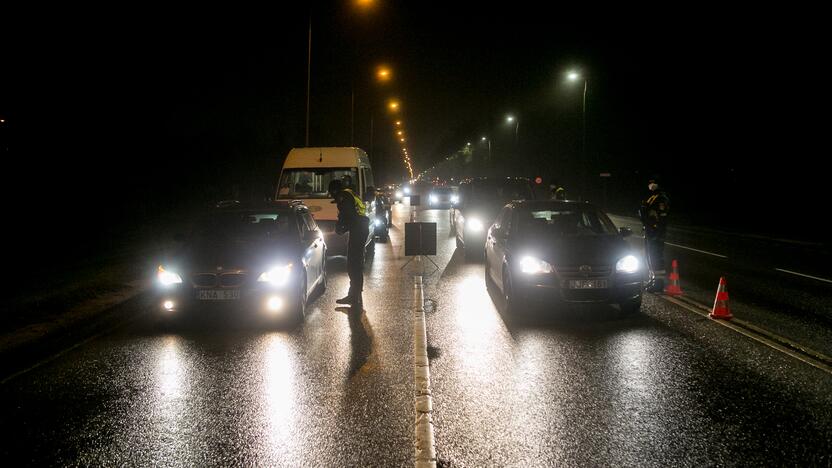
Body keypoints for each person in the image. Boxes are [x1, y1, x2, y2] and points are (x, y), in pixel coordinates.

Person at [329, 178, 369, 307]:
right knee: (356, 262)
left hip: (358, 229)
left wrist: (341, 227)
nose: (332, 196)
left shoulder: (343, 196)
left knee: (353, 264)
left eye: (331, 193)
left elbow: (348, 215)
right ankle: (356, 294)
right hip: (361, 228)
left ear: (335, 190)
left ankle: (354, 296)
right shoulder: (350, 193)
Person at [639, 178, 670, 292]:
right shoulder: (652, 197)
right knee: (650, 257)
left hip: (656, 233)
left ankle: (659, 283)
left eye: (653, 183)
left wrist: (655, 229)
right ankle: (653, 280)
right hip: (650, 232)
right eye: (650, 183)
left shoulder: (661, 198)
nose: (651, 185)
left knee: (656, 257)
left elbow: (662, 217)